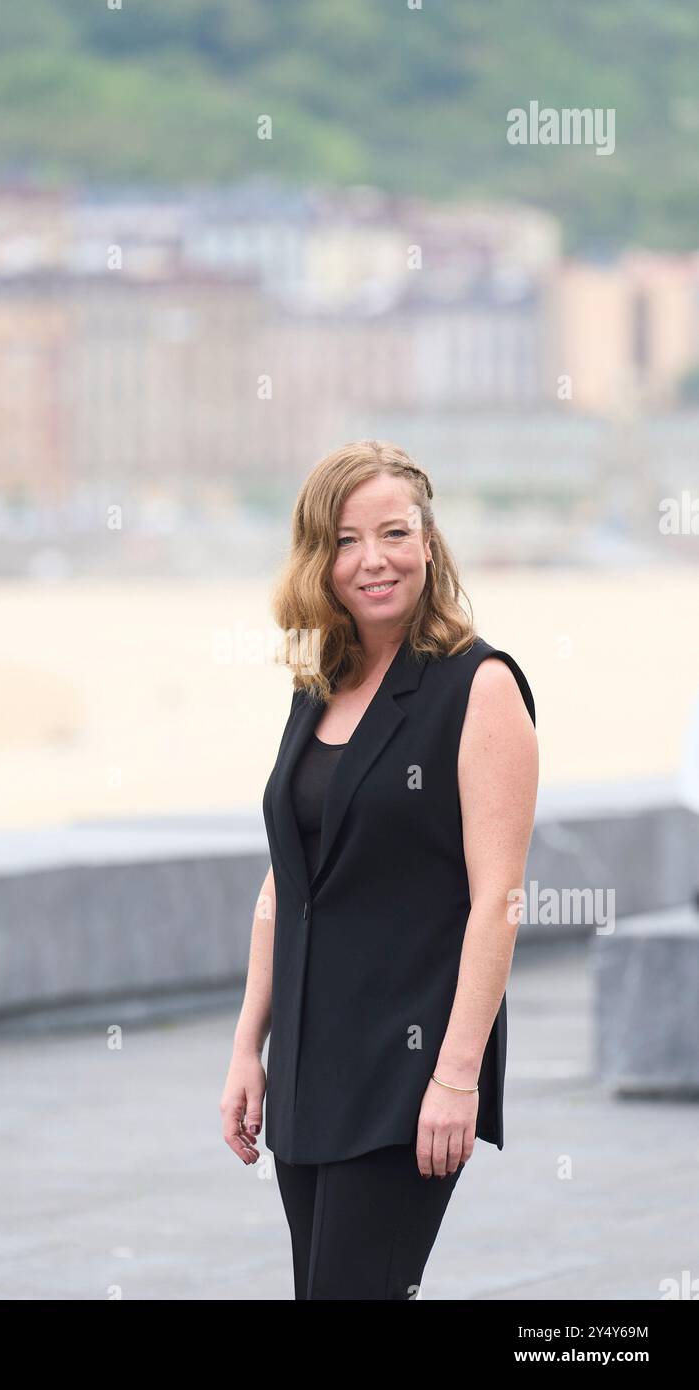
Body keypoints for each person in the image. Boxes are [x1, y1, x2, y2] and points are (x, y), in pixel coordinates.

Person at [220, 439, 539, 1300]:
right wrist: (250, 1045)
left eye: (393, 533)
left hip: (408, 1070)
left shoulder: (481, 687)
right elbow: (287, 880)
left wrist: (456, 1075)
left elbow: (498, 902)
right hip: (307, 1068)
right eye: (345, 541)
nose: (373, 560)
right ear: (318, 561)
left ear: (429, 543)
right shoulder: (318, 684)